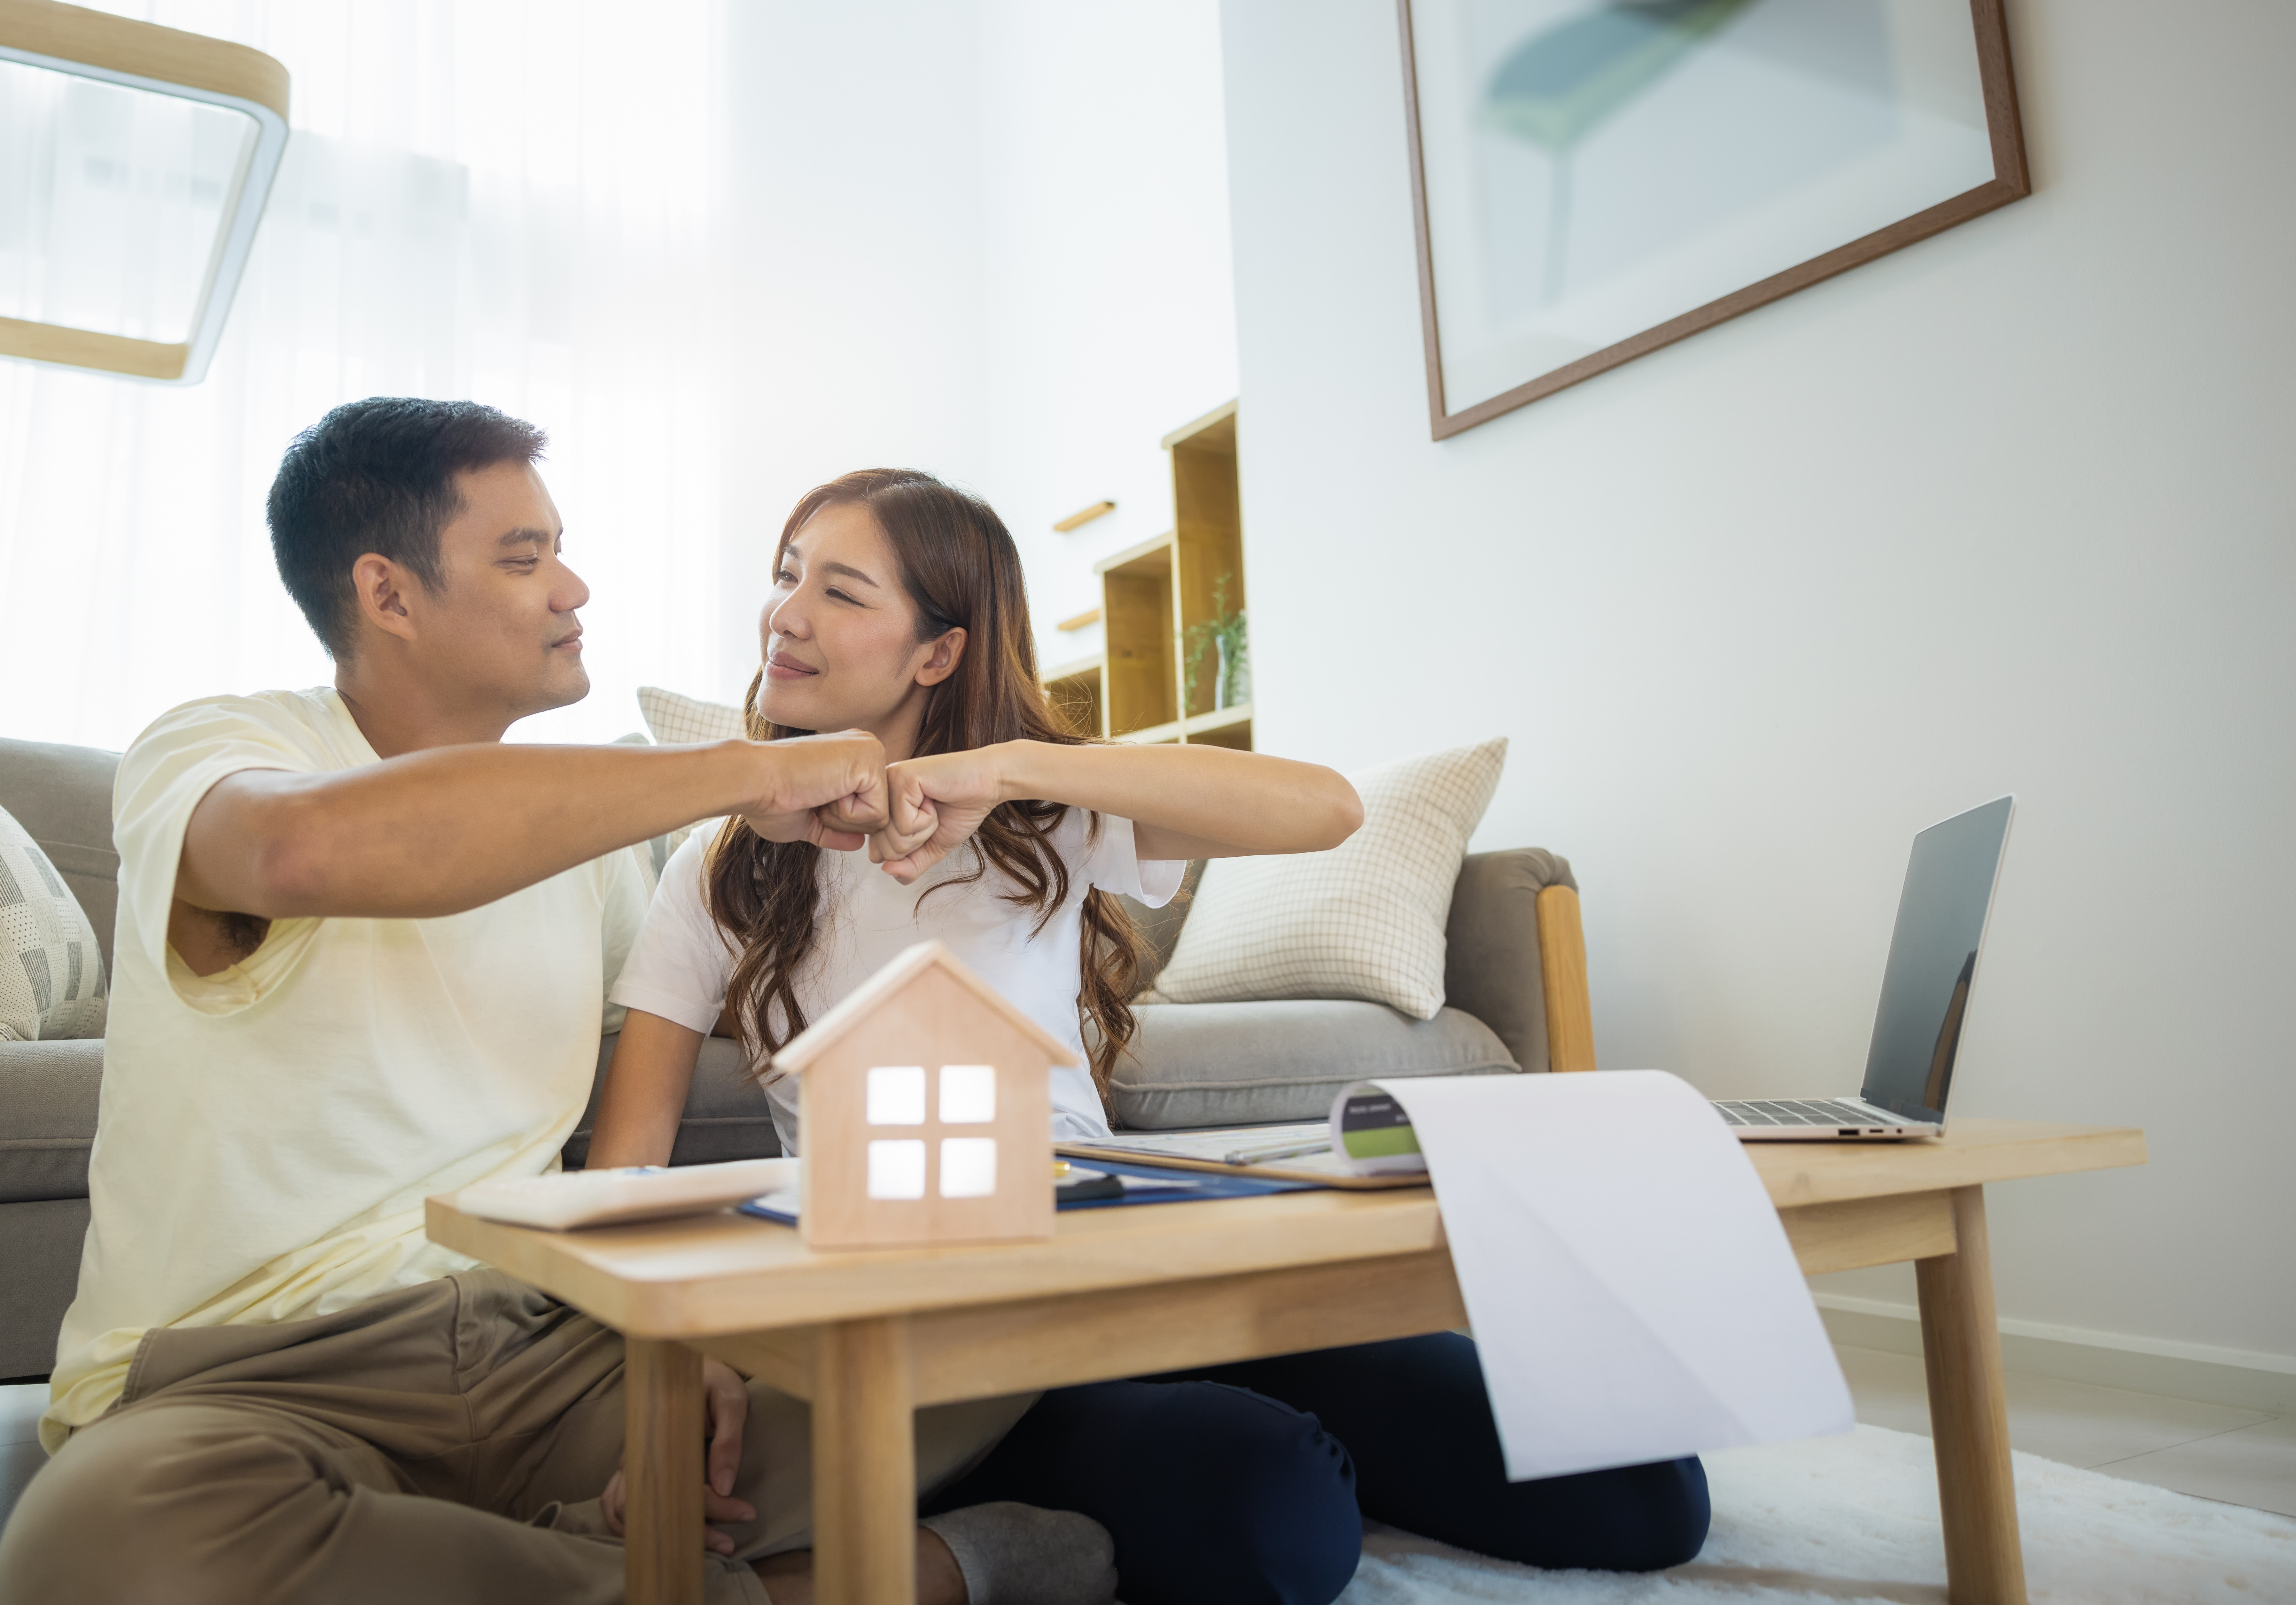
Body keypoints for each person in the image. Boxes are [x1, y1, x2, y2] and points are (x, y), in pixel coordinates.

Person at [0, 402, 1095, 1605]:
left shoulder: (599, 856)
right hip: (259, 1379)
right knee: (98, 1550)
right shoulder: (220, 747)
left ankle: (556, 1556)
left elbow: (653, 1124)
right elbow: (298, 852)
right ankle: (884, 1579)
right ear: (388, 594)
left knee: (973, 1331)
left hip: (555, 1351)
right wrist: (749, 770)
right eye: (525, 559)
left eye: (562, 550)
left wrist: (684, 1336)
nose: (574, 589)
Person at [590, 468, 1712, 1605]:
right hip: (959, 1339)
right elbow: (628, 1160)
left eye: (838, 591)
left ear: (939, 654)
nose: (785, 614)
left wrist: (1012, 766)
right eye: (787, 577)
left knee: (1646, 1492)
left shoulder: (1041, 816)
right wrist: (687, 1358)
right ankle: (1016, 1517)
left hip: (1134, 1263)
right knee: (1279, 1516)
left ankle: (1205, 1429)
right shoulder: (720, 870)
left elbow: (1327, 809)